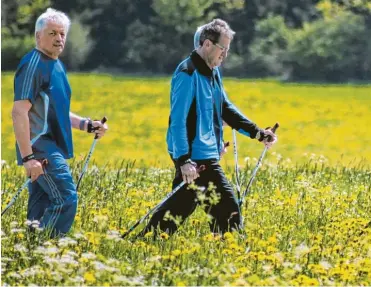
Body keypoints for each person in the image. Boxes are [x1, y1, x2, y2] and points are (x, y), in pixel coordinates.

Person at [139, 19, 277, 237]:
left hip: (204, 152)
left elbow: (225, 108)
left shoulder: (213, 72)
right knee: (228, 210)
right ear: (207, 44)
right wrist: (184, 160)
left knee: (182, 204)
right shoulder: (187, 72)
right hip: (195, 156)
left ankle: (146, 241)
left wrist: (257, 132)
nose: (225, 55)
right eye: (223, 49)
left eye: (227, 50)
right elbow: (178, 120)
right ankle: (228, 248)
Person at [11, 8, 109, 237]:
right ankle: (48, 250)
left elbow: (57, 112)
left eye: (62, 34)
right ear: (38, 36)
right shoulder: (33, 64)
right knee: (66, 198)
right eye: (52, 33)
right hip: (41, 147)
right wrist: (28, 158)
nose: (59, 38)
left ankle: (30, 256)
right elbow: (18, 112)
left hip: (51, 146)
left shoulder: (56, 65)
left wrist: (87, 124)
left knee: (41, 205)